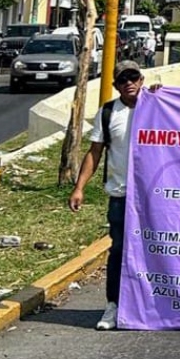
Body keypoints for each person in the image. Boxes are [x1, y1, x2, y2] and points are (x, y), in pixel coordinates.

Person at [70, 61, 147, 330]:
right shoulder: (108, 113)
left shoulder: (157, 107)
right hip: (121, 194)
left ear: (142, 79)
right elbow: (95, 152)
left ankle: (151, 305)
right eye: (123, 79)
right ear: (115, 85)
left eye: (133, 77)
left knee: (155, 251)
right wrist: (79, 187)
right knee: (119, 250)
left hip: (153, 197)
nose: (129, 83)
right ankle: (113, 305)